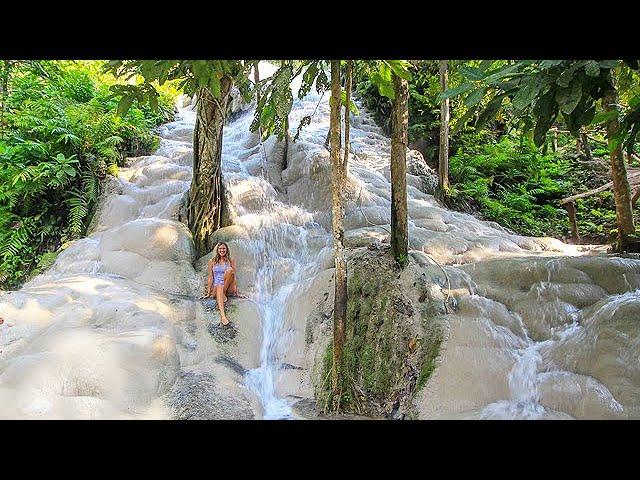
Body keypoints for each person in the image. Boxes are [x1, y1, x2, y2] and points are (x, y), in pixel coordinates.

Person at [202, 242, 245, 326]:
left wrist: (237, 293)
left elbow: (234, 276)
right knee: (219, 286)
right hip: (216, 287)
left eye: (224, 248)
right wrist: (208, 293)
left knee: (230, 270)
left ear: (226, 250)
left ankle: (222, 294)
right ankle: (223, 316)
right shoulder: (212, 261)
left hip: (228, 286)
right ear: (217, 250)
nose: (222, 250)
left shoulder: (231, 260)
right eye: (220, 249)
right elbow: (210, 277)